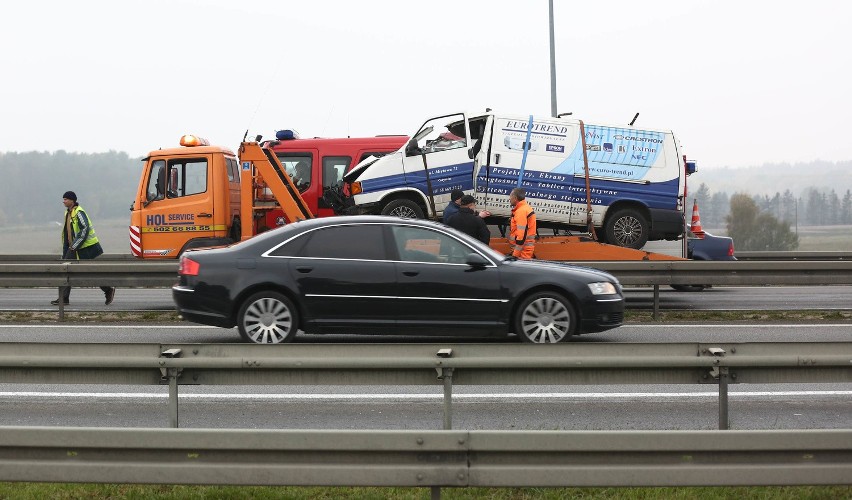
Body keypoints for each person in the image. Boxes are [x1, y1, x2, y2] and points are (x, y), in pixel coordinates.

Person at [52, 191, 116, 306]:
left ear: (72, 200)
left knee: (85, 272)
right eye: (63, 199)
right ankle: (64, 298)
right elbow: (68, 233)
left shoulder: (79, 212)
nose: (63, 201)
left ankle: (108, 290)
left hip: (85, 248)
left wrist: (73, 246)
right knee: (66, 271)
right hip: (74, 248)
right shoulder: (68, 213)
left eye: (66, 199)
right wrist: (67, 248)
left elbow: (84, 229)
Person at [508, 187, 537, 259]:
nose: (509, 199)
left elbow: (521, 237)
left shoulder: (521, 211)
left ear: (515, 198)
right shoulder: (524, 208)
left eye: (510, 196)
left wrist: (515, 255)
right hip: (524, 251)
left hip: (522, 253)